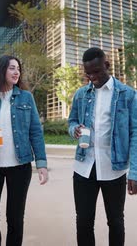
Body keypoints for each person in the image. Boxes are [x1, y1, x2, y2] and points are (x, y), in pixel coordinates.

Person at [0, 55, 48, 246]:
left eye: (18, 69)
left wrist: (42, 164)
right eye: (12, 68)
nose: (16, 72)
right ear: (1, 70)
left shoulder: (26, 97)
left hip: (20, 167)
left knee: (15, 219)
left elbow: (35, 132)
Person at [68, 47, 137, 246]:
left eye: (96, 71)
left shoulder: (128, 94)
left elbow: (135, 133)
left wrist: (134, 172)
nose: (92, 77)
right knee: (83, 222)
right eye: (88, 73)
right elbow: (71, 121)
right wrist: (75, 130)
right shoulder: (81, 94)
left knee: (115, 221)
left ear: (107, 65)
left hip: (114, 169)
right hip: (84, 168)